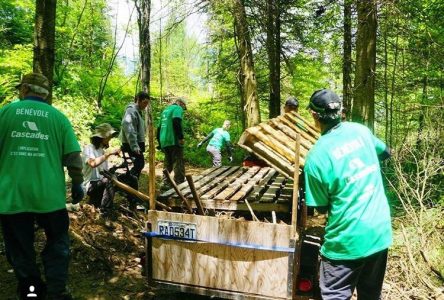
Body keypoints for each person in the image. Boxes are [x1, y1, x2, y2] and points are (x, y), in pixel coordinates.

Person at [0, 73, 84, 299]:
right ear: (45, 94)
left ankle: (32, 291)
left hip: (12, 196)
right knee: (57, 243)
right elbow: (74, 160)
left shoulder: (5, 113)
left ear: (25, 89)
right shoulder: (58, 118)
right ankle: (57, 291)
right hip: (50, 198)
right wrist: (77, 184)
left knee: (20, 248)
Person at [304, 88, 392, 300]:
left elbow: (322, 207)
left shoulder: (316, 157)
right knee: (371, 294)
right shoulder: (360, 131)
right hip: (379, 232)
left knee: (335, 295)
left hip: (346, 241)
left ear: (314, 116)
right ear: (341, 111)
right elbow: (386, 152)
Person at [82, 123, 120, 216]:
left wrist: (114, 169)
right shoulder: (89, 149)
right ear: (102, 137)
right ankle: (105, 211)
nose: (110, 139)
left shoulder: (101, 151)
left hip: (98, 184)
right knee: (108, 180)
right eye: (109, 137)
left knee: (114, 177)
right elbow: (92, 163)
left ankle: (102, 204)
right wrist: (107, 155)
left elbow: (102, 172)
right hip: (90, 185)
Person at [157, 97, 187, 186]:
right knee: (178, 162)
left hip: (164, 140)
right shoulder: (177, 108)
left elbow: (158, 128)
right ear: (181, 103)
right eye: (184, 107)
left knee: (168, 161)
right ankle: (180, 183)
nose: (183, 110)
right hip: (173, 139)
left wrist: (159, 142)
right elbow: (176, 121)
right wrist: (180, 137)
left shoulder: (165, 111)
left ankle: (165, 182)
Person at [119, 91, 150, 179]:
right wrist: (134, 145)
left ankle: (131, 183)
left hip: (135, 142)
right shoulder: (131, 110)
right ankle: (126, 182)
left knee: (139, 164)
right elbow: (127, 125)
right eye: (144, 103)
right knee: (139, 164)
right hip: (131, 143)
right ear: (138, 100)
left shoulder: (137, 111)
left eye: (147, 103)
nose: (145, 105)